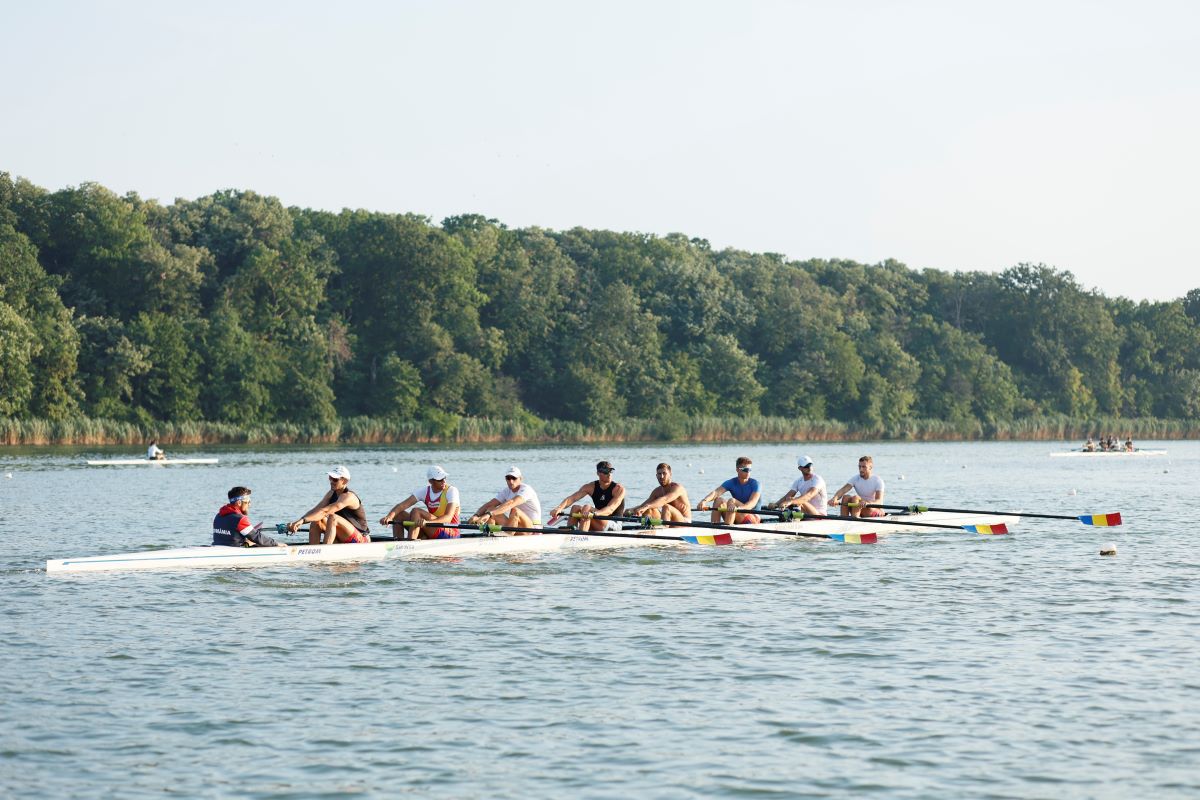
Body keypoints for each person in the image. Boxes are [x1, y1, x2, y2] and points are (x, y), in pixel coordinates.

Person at [286, 465, 371, 545]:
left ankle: (325, 550)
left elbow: (325, 511)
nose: (331, 481)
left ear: (344, 481)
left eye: (335, 479)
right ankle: (313, 551)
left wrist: (302, 521)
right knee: (316, 519)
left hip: (361, 540)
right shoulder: (331, 494)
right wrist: (297, 522)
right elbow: (316, 510)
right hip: (344, 536)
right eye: (330, 478)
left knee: (333, 517)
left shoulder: (349, 497)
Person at [380, 465, 461, 540]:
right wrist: (389, 517)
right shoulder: (425, 491)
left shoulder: (451, 491)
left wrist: (427, 523)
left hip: (451, 532)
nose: (444, 481)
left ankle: (411, 543)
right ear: (430, 481)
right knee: (398, 514)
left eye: (444, 477)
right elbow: (402, 506)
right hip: (432, 529)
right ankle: (398, 543)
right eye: (440, 479)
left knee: (416, 511)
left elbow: (448, 517)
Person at [548, 460, 627, 531]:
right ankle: (570, 534)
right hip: (598, 520)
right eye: (606, 472)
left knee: (587, 508)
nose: (609, 474)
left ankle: (582, 536)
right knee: (575, 507)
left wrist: (594, 514)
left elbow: (610, 509)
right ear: (598, 473)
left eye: (610, 471)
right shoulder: (590, 487)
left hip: (614, 523)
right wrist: (559, 508)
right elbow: (572, 498)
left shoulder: (618, 489)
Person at [468, 466, 542, 534]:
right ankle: (490, 535)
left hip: (532, 528)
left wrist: (488, 514)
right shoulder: (506, 491)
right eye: (508, 478)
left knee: (515, 510)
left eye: (514, 478)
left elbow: (511, 503)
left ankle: (507, 538)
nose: (511, 481)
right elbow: (489, 504)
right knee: (490, 509)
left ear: (521, 479)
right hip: (515, 526)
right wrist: (476, 515)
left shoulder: (526, 490)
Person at [697, 456, 762, 524]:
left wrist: (738, 508)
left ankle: (727, 528)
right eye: (745, 470)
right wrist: (704, 501)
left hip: (753, 518)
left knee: (732, 501)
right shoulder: (731, 482)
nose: (748, 472)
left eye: (749, 470)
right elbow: (716, 493)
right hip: (736, 513)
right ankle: (714, 527)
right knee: (718, 500)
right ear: (737, 470)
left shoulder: (756, 484)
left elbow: (752, 503)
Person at [213, 486, 281, 547]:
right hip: (235, 553)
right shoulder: (240, 519)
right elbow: (256, 537)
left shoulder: (218, 516)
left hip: (216, 548)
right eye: (247, 502)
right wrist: (276, 543)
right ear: (239, 502)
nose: (249, 505)